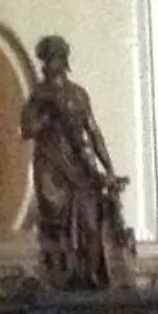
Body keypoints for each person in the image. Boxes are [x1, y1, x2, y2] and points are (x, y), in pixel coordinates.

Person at [19, 34, 132, 290]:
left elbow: (93, 132)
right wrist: (48, 116)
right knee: (56, 225)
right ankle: (61, 278)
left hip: (79, 167)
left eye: (53, 59)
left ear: (63, 61)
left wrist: (109, 169)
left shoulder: (78, 94)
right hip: (50, 166)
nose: (48, 65)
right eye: (46, 60)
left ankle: (89, 278)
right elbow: (26, 130)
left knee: (90, 222)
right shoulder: (38, 95)